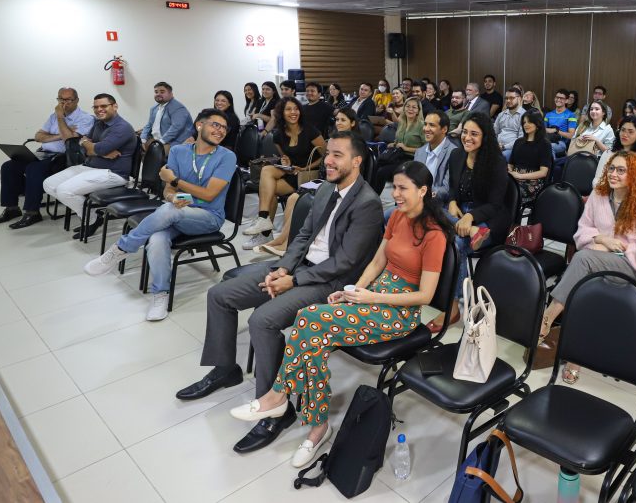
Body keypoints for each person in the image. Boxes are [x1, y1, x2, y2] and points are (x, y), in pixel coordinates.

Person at [228, 161, 448, 468]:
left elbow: (425, 296)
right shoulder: (397, 216)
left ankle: (282, 400)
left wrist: (371, 296)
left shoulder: (434, 235)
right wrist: (352, 290)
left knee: (311, 321)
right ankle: (313, 424)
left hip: (399, 311)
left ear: (423, 191)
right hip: (373, 297)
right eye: (394, 187)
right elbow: (376, 263)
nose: (395, 194)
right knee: (309, 326)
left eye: (403, 188)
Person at [174, 132, 383, 454]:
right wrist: (283, 268)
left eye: (337, 155)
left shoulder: (367, 203)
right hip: (298, 268)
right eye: (328, 153)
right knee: (220, 295)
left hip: (329, 283)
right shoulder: (327, 187)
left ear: (356, 161)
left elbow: (345, 262)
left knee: (263, 321)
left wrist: (294, 281)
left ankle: (276, 406)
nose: (328, 160)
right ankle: (225, 368)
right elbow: (301, 236)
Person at [84, 109, 237, 321]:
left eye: (224, 128)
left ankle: (122, 248)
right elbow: (167, 191)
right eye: (215, 125)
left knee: (168, 211)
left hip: (208, 218)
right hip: (177, 212)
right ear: (200, 125)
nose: (220, 131)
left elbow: (209, 195)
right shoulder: (178, 152)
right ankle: (160, 294)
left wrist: (174, 182)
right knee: (156, 239)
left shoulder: (227, 156)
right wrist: (172, 196)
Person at [537, 150, 636, 383]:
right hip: (594, 258)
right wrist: (601, 240)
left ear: (634, 174)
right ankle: (576, 357)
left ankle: (546, 319)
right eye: (611, 168)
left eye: (621, 170)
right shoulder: (599, 194)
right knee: (584, 285)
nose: (613, 174)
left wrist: (616, 248)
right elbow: (582, 229)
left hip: (629, 264)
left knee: (582, 260)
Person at [426, 113, 510, 332]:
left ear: (485, 136)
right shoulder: (456, 155)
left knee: (456, 244)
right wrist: (453, 202)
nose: (467, 137)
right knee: (430, 211)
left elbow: (495, 204)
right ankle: (469, 230)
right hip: (461, 214)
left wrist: (471, 217)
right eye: (465, 132)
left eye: (474, 134)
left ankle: (453, 308)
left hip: (488, 218)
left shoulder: (496, 163)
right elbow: (453, 187)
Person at [0, 87, 94, 229]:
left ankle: (32, 212)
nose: (63, 103)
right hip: (44, 154)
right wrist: (59, 134)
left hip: (66, 158)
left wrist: (61, 119)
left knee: (34, 168)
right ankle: (11, 208)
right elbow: (38, 136)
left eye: (68, 100)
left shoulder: (86, 118)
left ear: (76, 100)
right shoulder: (53, 116)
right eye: (60, 99)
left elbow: (69, 140)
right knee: (9, 166)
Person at [42, 94, 136, 239]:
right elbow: (83, 144)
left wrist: (92, 147)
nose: (99, 110)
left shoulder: (122, 127)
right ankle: (93, 215)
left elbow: (89, 146)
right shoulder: (99, 123)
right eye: (96, 107)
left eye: (103, 106)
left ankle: (91, 220)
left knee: (64, 190)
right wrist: (94, 148)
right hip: (90, 167)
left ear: (115, 106)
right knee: (48, 184)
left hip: (113, 173)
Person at [242, 98, 323, 246]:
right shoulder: (278, 135)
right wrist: (286, 162)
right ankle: (264, 224)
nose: (293, 112)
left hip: (308, 174)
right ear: (282, 113)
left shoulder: (310, 131)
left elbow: (326, 155)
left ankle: (264, 229)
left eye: (296, 108)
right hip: (291, 171)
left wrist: (305, 168)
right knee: (267, 177)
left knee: (267, 188)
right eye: (288, 109)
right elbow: (285, 157)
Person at [371, 97, 426, 192]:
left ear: (418, 111)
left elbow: (426, 149)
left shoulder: (422, 125)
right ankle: (368, 193)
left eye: (414, 107)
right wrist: (394, 143)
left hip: (412, 158)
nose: (410, 109)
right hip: (398, 154)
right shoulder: (402, 123)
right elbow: (398, 140)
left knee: (382, 172)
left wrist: (406, 148)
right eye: (408, 106)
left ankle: (374, 196)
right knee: (376, 164)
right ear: (404, 109)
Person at [594, 115, 636, 183]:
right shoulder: (608, 154)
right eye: (623, 130)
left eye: (630, 132)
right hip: (607, 192)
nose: (624, 134)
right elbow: (597, 181)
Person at [508, 110, 553, 206]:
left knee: (510, 191)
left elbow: (543, 172)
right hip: (515, 177)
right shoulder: (518, 142)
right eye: (524, 122)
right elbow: (510, 164)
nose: (526, 125)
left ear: (538, 124)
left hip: (533, 182)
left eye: (529, 122)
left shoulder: (544, 144)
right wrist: (510, 172)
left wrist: (520, 176)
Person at [413, 110, 456, 203]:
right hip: (416, 200)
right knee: (388, 215)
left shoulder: (454, 153)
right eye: (425, 124)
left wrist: (422, 193)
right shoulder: (419, 152)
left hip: (437, 204)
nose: (426, 129)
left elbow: (447, 189)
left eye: (432, 125)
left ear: (444, 129)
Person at [140, 81, 192, 149]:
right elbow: (149, 125)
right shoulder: (154, 108)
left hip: (175, 142)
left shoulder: (178, 108)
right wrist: (143, 138)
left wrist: (161, 142)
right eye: (156, 92)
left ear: (171, 94)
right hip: (157, 140)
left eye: (162, 92)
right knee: (137, 143)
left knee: (154, 153)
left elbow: (176, 128)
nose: (158, 94)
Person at [495, 87, 526, 160]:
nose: (508, 100)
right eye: (506, 98)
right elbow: (494, 133)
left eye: (512, 98)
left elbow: (521, 139)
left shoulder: (525, 116)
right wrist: (495, 144)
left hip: (512, 149)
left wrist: (504, 147)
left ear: (519, 99)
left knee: (500, 158)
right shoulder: (501, 115)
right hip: (497, 146)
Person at [544, 88, 578, 155]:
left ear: (567, 101)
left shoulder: (571, 115)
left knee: (548, 147)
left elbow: (571, 135)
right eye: (557, 97)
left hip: (561, 143)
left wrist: (556, 131)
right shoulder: (548, 114)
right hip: (547, 140)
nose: (558, 100)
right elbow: (542, 129)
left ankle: (549, 165)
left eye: (561, 98)